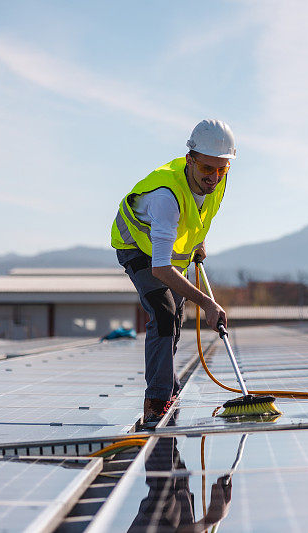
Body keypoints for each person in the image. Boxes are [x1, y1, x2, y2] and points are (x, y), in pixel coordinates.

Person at [111, 119, 234, 429]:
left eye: (222, 169)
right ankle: (155, 401)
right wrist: (207, 303)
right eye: (208, 169)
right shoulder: (166, 198)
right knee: (164, 313)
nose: (215, 177)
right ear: (190, 159)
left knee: (176, 318)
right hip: (138, 248)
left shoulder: (216, 181)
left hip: (166, 254)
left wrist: (199, 243)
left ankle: (169, 385)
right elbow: (161, 268)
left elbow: (204, 215)